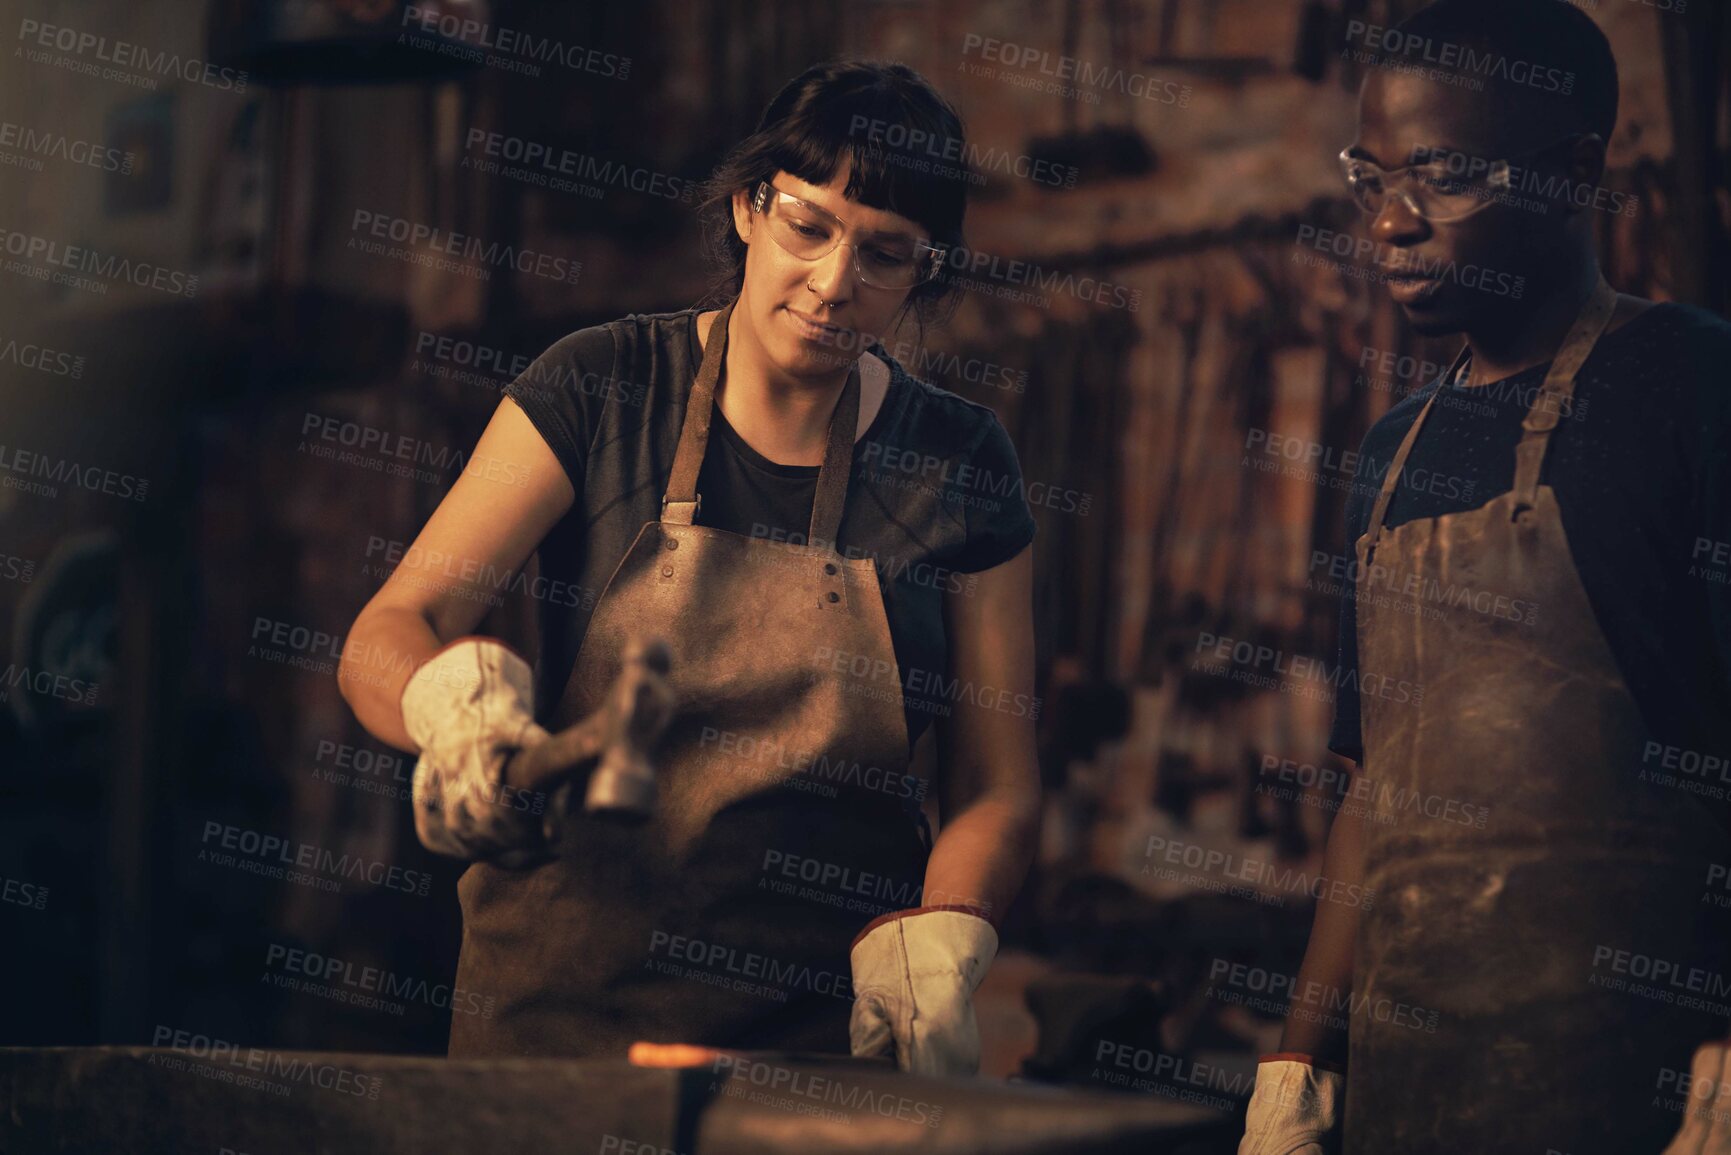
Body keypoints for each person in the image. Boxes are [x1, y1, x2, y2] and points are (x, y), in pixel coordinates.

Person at [337, 60, 1042, 1074]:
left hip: (822, 1032)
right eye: (809, 226)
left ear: (924, 272)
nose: (836, 283)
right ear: (752, 209)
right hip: (564, 1017)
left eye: (886, 255)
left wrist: (947, 925)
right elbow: (389, 629)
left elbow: (997, 785)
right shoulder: (601, 386)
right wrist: (448, 707)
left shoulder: (963, 461)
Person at [1237, 2, 1731, 1151]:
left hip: (1636, 1083)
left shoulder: (1692, 386)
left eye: (1446, 175)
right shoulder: (1390, 456)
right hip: (1415, 1093)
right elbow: (1375, 790)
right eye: (1373, 178)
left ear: (1574, 172)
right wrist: (1298, 1068)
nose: (1393, 224)